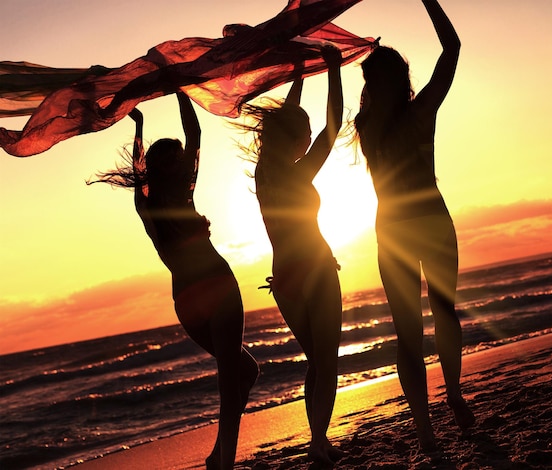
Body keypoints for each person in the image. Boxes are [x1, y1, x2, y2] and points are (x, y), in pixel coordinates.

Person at [90, 92, 258, 470]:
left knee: (246, 371)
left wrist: (139, 126)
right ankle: (225, 462)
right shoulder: (180, 197)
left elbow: (145, 166)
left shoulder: (148, 206)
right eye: (178, 158)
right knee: (231, 376)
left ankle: (219, 456)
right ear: (173, 166)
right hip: (215, 283)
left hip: (186, 298)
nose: (183, 161)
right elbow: (195, 133)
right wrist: (180, 91)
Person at [353, 0, 475, 451]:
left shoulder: (364, 125)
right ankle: (455, 395)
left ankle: (425, 431)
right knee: (445, 313)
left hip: (392, 232)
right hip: (432, 222)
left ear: (369, 85)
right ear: (402, 78)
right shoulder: (419, 111)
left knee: (408, 336)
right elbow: (452, 47)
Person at [240, 45, 344, 465]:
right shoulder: (299, 173)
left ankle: (317, 438)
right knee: (327, 362)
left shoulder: (265, 171)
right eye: (303, 133)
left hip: (283, 279)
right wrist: (334, 71)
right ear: (294, 137)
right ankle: (318, 440)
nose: (308, 138)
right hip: (317, 270)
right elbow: (333, 128)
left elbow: (287, 119)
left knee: (315, 363)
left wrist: (300, 76)